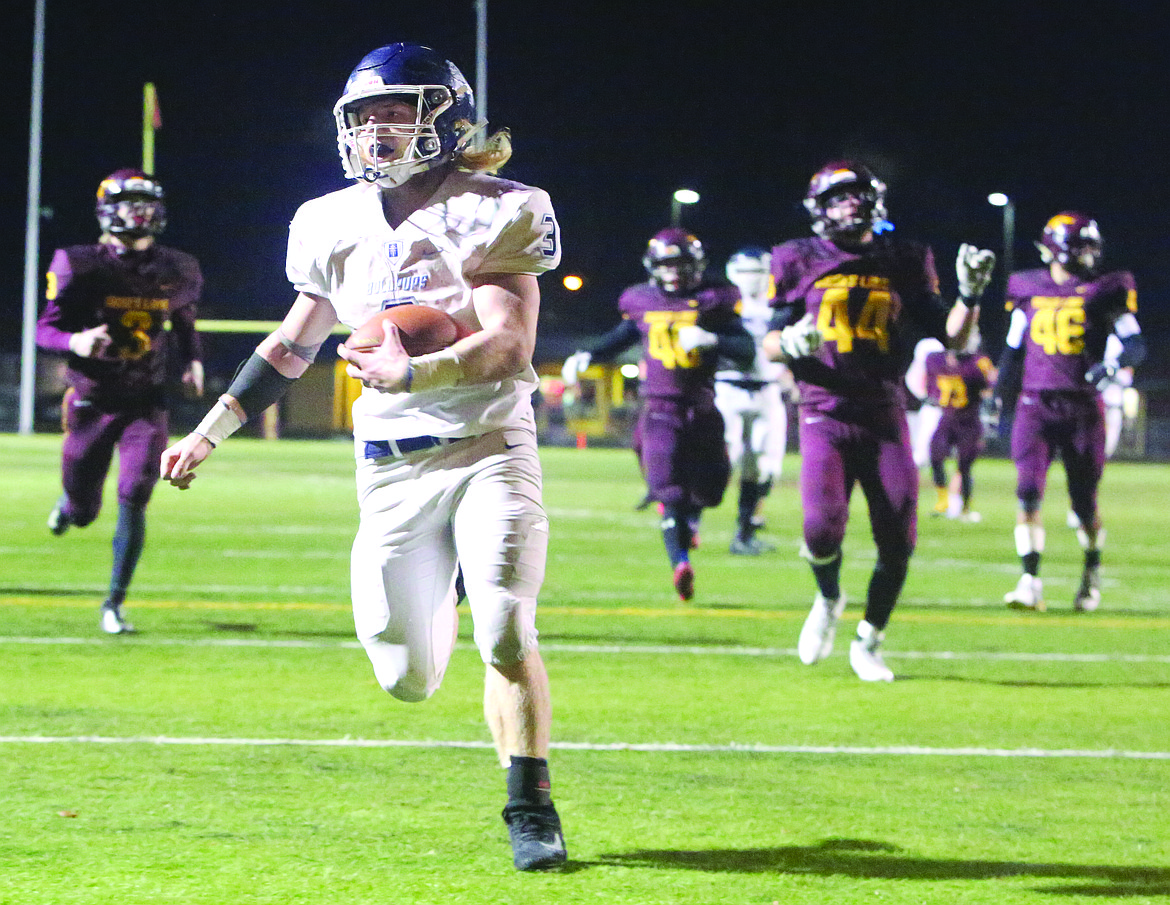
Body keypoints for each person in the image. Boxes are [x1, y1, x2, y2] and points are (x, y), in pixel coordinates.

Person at [159, 43, 566, 871]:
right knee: (406, 676)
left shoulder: (502, 205)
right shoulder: (325, 219)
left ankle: (530, 803)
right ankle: (444, 592)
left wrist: (414, 369)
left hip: (489, 444)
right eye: (367, 115)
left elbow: (510, 343)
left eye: (398, 110)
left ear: (446, 117)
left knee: (505, 624)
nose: (379, 129)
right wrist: (209, 430)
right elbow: (289, 344)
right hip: (389, 466)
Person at [761, 160, 994, 681]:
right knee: (821, 530)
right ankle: (828, 598)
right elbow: (771, 342)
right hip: (823, 409)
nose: (847, 206)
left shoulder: (904, 257)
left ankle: (870, 640)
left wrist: (972, 298)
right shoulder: (796, 258)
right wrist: (789, 343)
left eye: (854, 196)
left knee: (898, 538)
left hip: (884, 412)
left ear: (873, 201)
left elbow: (953, 337)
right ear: (820, 208)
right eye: (836, 198)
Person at [36, 168, 204, 635]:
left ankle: (113, 603)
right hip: (91, 400)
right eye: (131, 202)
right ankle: (70, 507)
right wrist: (76, 342)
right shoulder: (80, 262)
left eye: (147, 203)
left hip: (145, 402)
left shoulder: (177, 268)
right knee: (86, 509)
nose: (141, 212)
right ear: (107, 210)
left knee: (134, 494)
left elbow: (185, 321)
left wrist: (192, 360)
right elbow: (43, 329)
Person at [561, 228, 754, 599]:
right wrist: (589, 355)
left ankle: (691, 521)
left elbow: (746, 350)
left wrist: (714, 338)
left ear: (696, 265)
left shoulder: (715, 299)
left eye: (680, 263)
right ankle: (680, 560)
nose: (673, 272)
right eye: (666, 264)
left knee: (712, 489)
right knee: (668, 487)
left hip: (702, 405)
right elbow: (623, 336)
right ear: (653, 267)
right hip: (659, 407)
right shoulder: (640, 299)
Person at [996, 211, 1144, 613]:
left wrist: (1112, 366)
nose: (1091, 254)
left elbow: (1135, 344)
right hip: (1035, 404)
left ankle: (1091, 571)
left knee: (1083, 505)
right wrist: (997, 392)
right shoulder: (1027, 288)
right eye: (1083, 244)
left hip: (1082, 407)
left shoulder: (1104, 290)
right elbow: (1013, 348)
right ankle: (1029, 582)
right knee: (1027, 493)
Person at [715, 247, 795, 555]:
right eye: (748, 272)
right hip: (728, 389)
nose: (754, 280)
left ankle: (745, 531)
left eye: (760, 272)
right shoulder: (722, 307)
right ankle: (687, 520)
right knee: (725, 459)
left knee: (763, 466)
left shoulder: (781, 306)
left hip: (767, 390)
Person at [922, 336, 996, 521]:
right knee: (935, 456)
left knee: (965, 465)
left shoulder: (978, 363)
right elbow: (928, 382)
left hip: (969, 420)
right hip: (946, 418)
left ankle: (965, 507)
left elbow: (989, 388)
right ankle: (942, 501)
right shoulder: (934, 359)